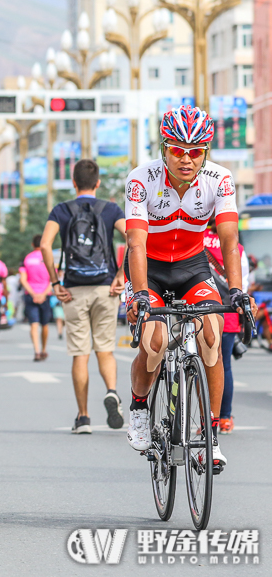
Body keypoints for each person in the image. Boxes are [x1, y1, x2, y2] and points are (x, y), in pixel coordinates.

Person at [123, 105, 255, 472]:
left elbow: (229, 241)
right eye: (178, 149)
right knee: (155, 342)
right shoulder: (142, 178)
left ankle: (209, 435)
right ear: (164, 147)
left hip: (192, 267)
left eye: (195, 151)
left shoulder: (220, 179)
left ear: (206, 152)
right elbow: (135, 244)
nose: (186, 158)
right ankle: (138, 407)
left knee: (212, 335)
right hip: (148, 266)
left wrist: (238, 290)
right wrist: (139, 296)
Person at [41, 159, 126, 434]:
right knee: (105, 349)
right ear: (98, 183)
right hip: (106, 288)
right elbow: (133, 239)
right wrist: (120, 275)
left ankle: (84, 417)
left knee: (80, 354)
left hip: (73, 291)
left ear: (74, 183)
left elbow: (44, 245)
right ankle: (112, 391)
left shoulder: (61, 211)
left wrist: (55, 282)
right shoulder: (111, 209)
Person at [205, 226, 249, 435]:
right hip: (229, 311)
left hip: (200, 309)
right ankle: (224, 418)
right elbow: (244, 283)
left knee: (201, 365)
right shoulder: (236, 247)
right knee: (224, 366)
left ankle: (205, 419)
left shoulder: (196, 239)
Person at [20, 234, 53, 361]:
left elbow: (23, 280)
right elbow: (53, 280)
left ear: (33, 245)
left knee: (34, 324)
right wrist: (43, 294)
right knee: (45, 324)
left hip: (31, 295)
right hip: (45, 296)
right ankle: (44, 349)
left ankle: (37, 351)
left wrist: (33, 294)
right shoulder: (48, 258)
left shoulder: (27, 259)